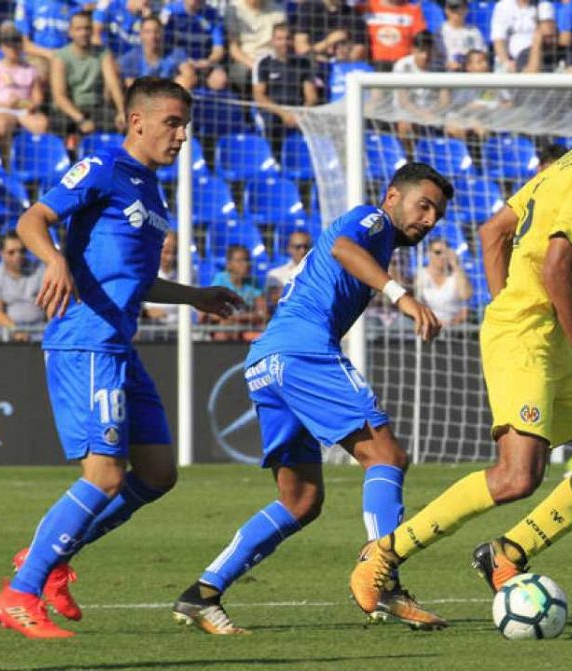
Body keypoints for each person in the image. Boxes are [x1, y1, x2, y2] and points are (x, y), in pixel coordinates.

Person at [348, 86, 572, 622]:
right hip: (533, 338)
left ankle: (507, 553)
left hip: (542, 331)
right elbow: (555, 267)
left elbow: (494, 231)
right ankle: (384, 554)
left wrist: (507, 300)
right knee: (516, 477)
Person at [0, 77, 244, 639]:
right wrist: (53, 261)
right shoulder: (102, 167)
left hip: (119, 346)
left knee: (157, 474)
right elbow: (33, 219)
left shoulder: (152, 191)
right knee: (104, 476)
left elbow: (136, 277)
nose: (181, 135)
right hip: (86, 340)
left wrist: (195, 296)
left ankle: (49, 560)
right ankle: (20, 591)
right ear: (138, 122)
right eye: (172, 123)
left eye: (185, 124)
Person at [172, 163, 453, 633]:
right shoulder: (372, 220)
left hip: (267, 362)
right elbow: (344, 247)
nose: (428, 220)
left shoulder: (381, 239)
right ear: (391, 197)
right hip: (303, 352)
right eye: (423, 206)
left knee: (300, 500)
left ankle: (202, 593)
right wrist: (401, 296)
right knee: (387, 456)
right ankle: (381, 579)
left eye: (437, 215)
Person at [50, 11, 127, 137]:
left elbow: (113, 83)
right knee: (59, 124)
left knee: (120, 124)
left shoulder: (103, 53)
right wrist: (81, 119)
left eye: (87, 28)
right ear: (70, 32)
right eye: (78, 29)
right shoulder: (61, 57)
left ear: (92, 31)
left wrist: (121, 111)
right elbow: (59, 96)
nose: (83, 33)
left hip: (95, 107)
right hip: (70, 109)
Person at [0, 22, 49, 165]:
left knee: (41, 124)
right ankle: (5, 164)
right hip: (1, 109)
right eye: (8, 45)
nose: (13, 49)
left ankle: (32, 163)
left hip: (23, 110)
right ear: (1, 47)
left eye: (16, 44)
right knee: (2, 125)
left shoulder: (30, 69)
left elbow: (37, 97)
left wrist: (28, 104)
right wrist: (5, 104)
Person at [251, 22, 318, 156]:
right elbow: (259, 96)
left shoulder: (304, 64)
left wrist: (299, 115)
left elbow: (311, 97)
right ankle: (273, 161)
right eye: (280, 39)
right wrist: (283, 114)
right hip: (272, 112)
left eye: (287, 39)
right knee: (271, 124)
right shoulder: (264, 63)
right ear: (272, 41)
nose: (284, 43)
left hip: (299, 112)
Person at [0, 231, 45, 341]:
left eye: (22, 251)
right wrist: (15, 331)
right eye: (11, 252)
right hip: (9, 331)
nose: (18, 256)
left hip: (40, 329)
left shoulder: (39, 271)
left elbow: (50, 305)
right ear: (1, 253)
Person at [204, 244, 268, 340]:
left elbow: (263, 314)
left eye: (247, 260)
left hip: (245, 327)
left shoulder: (253, 283)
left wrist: (237, 318)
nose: (245, 264)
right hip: (225, 327)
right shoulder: (220, 280)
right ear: (229, 264)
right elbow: (211, 313)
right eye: (240, 260)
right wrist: (247, 317)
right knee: (224, 332)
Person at [118, 16, 195, 89]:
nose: (153, 36)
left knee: (183, 80)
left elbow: (190, 75)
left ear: (162, 33)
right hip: (145, 99)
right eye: (148, 32)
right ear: (141, 35)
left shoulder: (175, 53)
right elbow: (132, 86)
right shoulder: (131, 58)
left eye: (157, 31)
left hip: (169, 97)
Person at [224, 0, 287, 90]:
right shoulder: (233, 9)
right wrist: (257, 66)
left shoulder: (278, 11)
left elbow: (282, 43)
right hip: (246, 60)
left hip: (272, 59)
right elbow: (234, 49)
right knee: (242, 74)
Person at [159, 0, 227, 75]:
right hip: (177, 59)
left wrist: (209, 62)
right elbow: (161, 42)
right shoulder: (169, 10)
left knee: (220, 78)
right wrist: (182, 60)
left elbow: (218, 50)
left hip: (203, 61)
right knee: (188, 75)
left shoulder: (213, 14)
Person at [418, 238, 472, 325]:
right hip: (429, 324)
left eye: (446, 253)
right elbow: (417, 303)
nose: (443, 256)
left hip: (455, 325)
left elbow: (466, 296)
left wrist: (455, 265)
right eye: (438, 252)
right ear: (428, 254)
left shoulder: (456, 275)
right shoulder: (421, 276)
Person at [491, 0, 554, 73]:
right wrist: (507, 63)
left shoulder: (544, 5)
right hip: (509, 60)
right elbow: (498, 40)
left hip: (535, 53)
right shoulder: (502, 6)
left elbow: (547, 33)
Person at [265, 230, 313, 311]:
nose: (303, 251)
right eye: (298, 247)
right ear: (289, 249)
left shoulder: (321, 273)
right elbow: (273, 300)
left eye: (306, 247)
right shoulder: (275, 274)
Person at [141, 230, 181, 326]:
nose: (170, 258)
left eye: (174, 252)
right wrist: (146, 313)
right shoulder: (145, 273)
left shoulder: (187, 274)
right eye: (166, 252)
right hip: (151, 331)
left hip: (178, 329)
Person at [439, 0, 486, 70]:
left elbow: (482, 56)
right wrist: (446, 64)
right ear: (446, 10)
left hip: (471, 76)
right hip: (447, 76)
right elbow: (436, 60)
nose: (458, 12)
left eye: (461, 8)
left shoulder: (474, 32)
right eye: (454, 8)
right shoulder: (440, 33)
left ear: (466, 9)